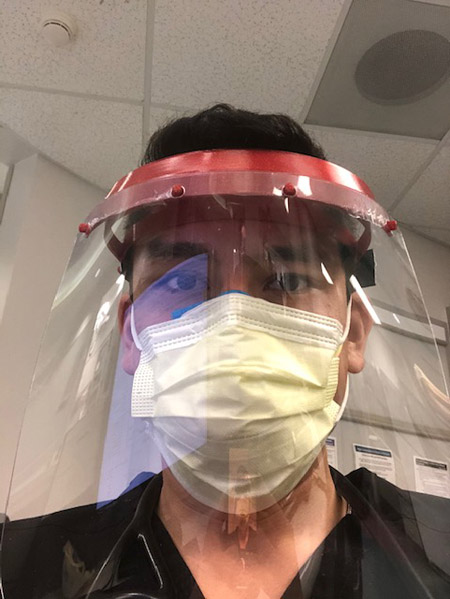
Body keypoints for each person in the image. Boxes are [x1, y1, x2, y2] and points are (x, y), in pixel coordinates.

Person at [1, 105, 449, 599]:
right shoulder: (25, 573)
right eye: (184, 281)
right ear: (131, 335)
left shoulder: (439, 553)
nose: (232, 326)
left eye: (287, 281)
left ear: (353, 334)